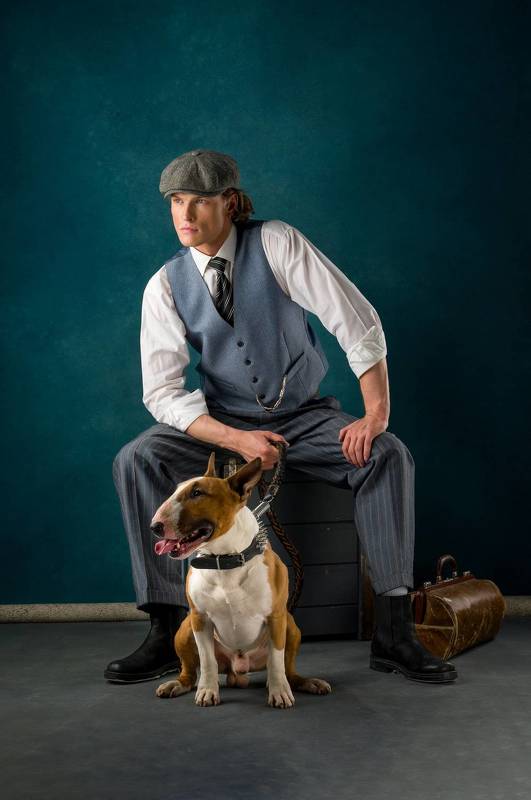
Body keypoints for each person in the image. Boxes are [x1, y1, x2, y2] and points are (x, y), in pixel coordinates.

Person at [106, 149, 457, 684]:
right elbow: (162, 391)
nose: (185, 214)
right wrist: (235, 438)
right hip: (222, 423)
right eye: (176, 201)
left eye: (200, 201)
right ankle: (168, 630)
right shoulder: (165, 284)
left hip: (302, 418)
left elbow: (356, 319)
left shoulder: (277, 243)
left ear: (230, 202)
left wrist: (375, 413)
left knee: (386, 455)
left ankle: (393, 631)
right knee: (137, 457)